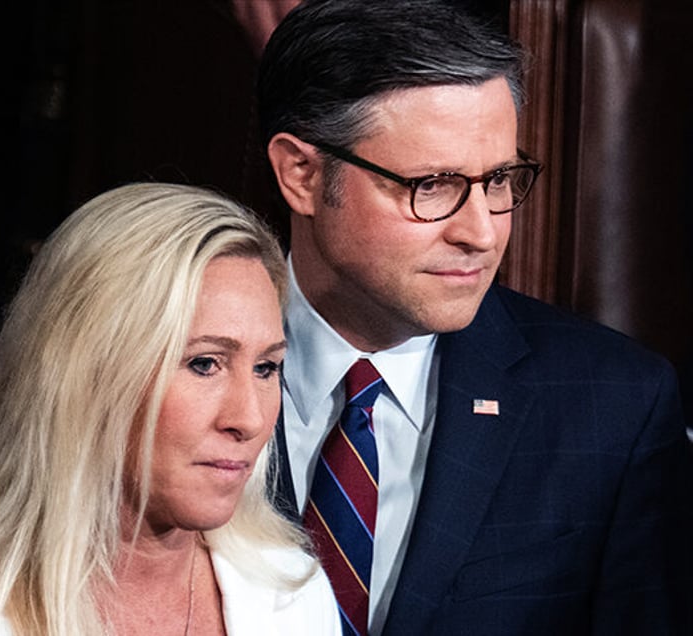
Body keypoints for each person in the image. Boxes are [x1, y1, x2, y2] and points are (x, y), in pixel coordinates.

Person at [256, 1, 693, 634]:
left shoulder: (614, 406)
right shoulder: (156, 367)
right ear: (302, 174)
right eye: (432, 185)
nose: (482, 233)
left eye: (499, 181)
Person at [0, 183, 341, 635]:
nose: (250, 419)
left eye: (266, 368)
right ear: (88, 371)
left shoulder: (292, 594)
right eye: (205, 363)